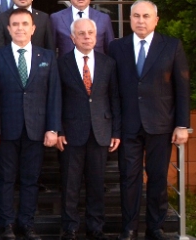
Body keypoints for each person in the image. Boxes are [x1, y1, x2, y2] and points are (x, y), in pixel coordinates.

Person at [109, 0, 190, 240]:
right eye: (136, 16)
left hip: (160, 124)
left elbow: (182, 88)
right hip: (128, 125)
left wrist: (182, 124)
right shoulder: (117, 47)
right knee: (128, 178)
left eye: (146, 16)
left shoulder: (172, 46)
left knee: (157, 178)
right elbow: (113, 91)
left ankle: (155, 227)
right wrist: (115, 127)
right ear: (130, 19)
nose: (141, 20)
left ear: (156, 20)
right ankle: (129, 228)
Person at [0, 9, 61, 240]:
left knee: (31, 180)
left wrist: (53, 128)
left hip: (36, 129)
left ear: (33, 29)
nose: (20, 28)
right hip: (6, 129)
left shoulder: (47, 57)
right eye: (15, 24)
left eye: (24, 24)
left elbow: (54, 95)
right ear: (8, 29)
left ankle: (27, 224)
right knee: (6, 179)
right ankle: (6, 225)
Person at [56, 18, 120, 240]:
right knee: (70, 184)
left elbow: (114, 98)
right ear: (72, 38)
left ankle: (96, 227)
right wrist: (58, 130)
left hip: (101, 131)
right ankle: (70, 228)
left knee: (97, 183)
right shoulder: (61, 63)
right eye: (81, 33)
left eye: (90, 33)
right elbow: (56, 99)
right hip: (71, 132)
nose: (86, 37)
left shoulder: (108, 63)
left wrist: (116, 131)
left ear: (96, 36)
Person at [51, 0, 115, 55]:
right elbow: (51, 51)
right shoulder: (56, 18)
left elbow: (111, 50)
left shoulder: (103, 18)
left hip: (97, 62)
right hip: (66, 62)